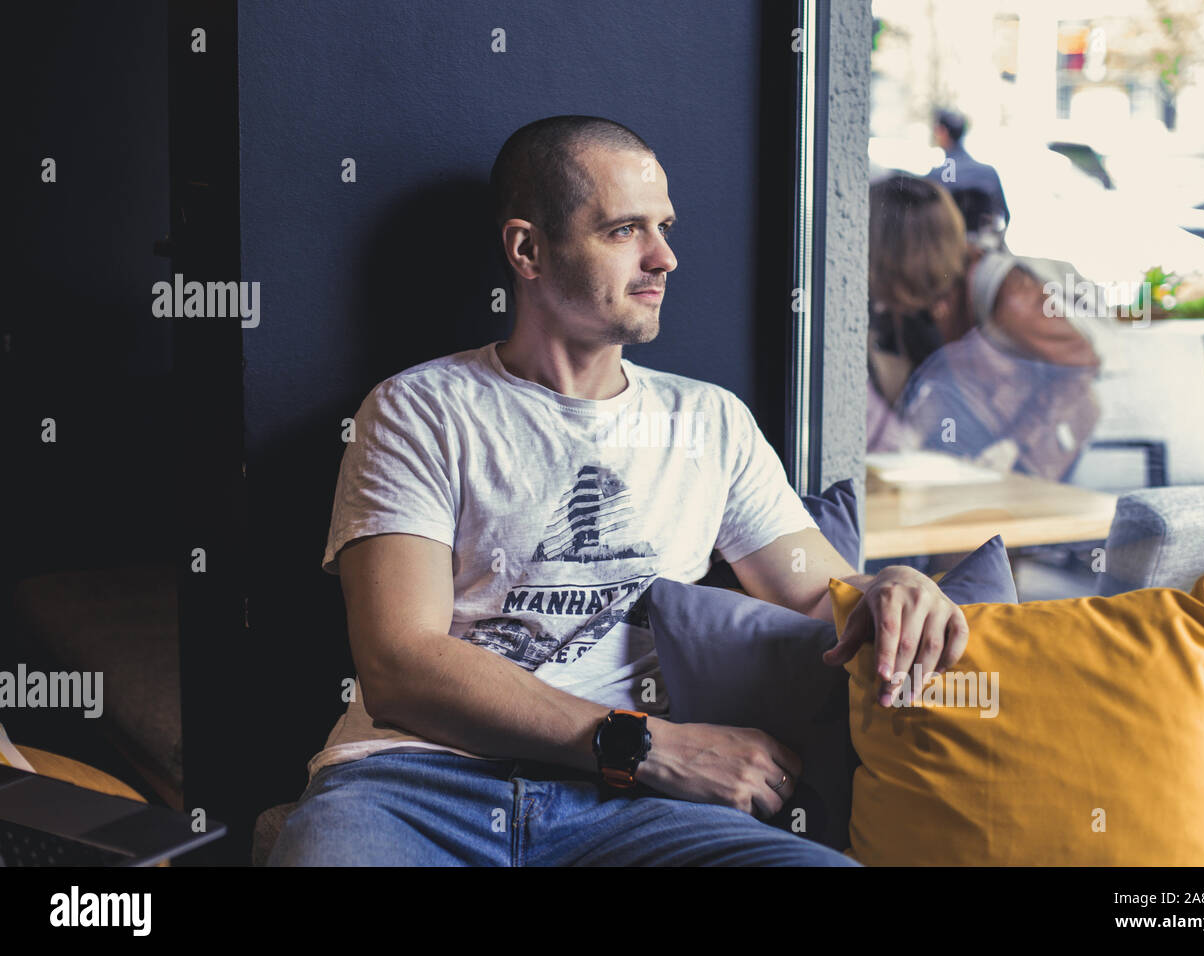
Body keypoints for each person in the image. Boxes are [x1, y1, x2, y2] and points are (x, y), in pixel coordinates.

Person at [269, 116, 969, 867]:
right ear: (528, 250)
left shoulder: (709, 422)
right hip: (417, 787)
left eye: (664, 226)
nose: (664, 257)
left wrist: (891, 587)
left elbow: (814, 593)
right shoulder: (420, 409)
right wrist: (646, 746)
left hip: (630, 811)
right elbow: (400, 665)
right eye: (624, 230)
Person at [868, 174, 1106, 481]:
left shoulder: (1011, 296)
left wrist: (1015, 443)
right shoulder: (919, 298)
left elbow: (1080, 366)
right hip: (967, 447)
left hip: (1028, 449)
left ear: (900, 254)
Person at [925, 108, 1010, 238]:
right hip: (981, 248)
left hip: (949, 246)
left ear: (943, 132)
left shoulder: (936, 178)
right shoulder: (988, 172)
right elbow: (1004, 216)